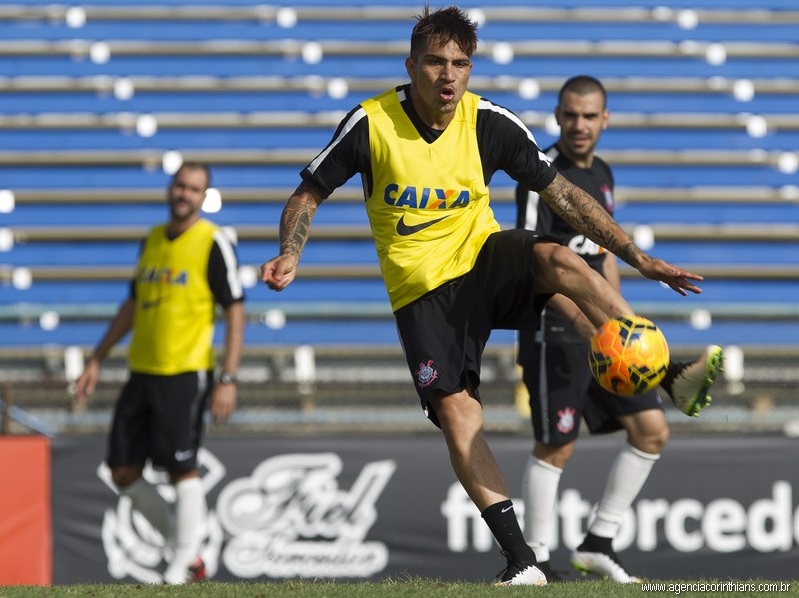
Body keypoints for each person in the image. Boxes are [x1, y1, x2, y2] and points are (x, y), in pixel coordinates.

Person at [260, 6, 722, 586]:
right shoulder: (371, 122)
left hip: (481, 259)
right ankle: (522, 562)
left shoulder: (489, 122)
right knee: (459, 416)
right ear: (411, 65)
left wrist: (638, 257)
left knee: (557, 255)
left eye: (460, 63)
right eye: (435, 62)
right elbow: (308, 195)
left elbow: (568, 200)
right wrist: (291, 252)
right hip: (421, 292)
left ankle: (659, 362)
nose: (448, 76)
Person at [514, 75, 724, 583]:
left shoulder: (603, 175)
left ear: (605, 119)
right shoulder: (539, 175)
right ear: (558, 116)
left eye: (589, 116)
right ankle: (536, 562)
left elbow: (602, 261)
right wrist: (594, 328)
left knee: (651, 432)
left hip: (607, 338)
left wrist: (625, 326)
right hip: (555, 331)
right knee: (556, 444)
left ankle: (598, 542)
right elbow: (533, 264)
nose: (579, 125)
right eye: (570, 115)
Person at [75, 162, 245, 585]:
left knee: (180, 469)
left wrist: (227, 378)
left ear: (203, 197)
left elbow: (236, 310)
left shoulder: (212, 241)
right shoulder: (151, 239)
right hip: (142, 371)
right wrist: (97, 357)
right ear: (170, 189)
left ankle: (179, 570)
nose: (184, 194)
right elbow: (132, 303)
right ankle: (185, 552)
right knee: (122, 471)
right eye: (180, 185)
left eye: (193, 188)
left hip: (184, 373)